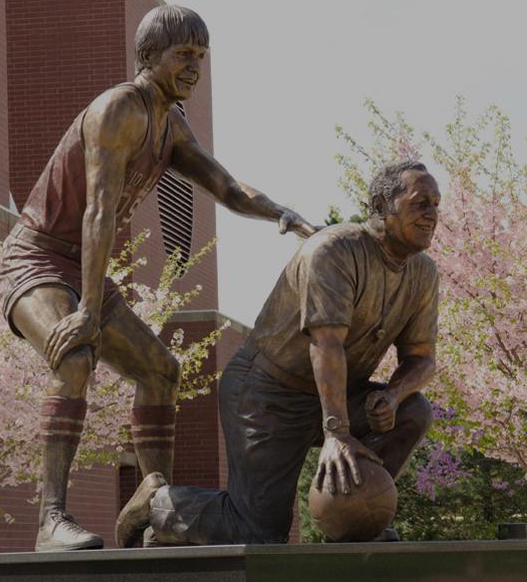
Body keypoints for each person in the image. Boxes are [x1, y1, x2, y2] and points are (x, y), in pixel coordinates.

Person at [0, 4, 316, 552]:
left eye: (202, 57)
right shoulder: (120, 108)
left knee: (163, 370)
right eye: (184, 55)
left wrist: (283, 214)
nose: (195, 67)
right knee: (75, 356)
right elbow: (99, 210)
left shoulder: (171, 125)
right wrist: (89, 313)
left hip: (81, 269)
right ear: (148, 56)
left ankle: (155, 510)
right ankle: (50, 518)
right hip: (37, 260)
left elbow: (230, 189)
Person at [122, 161, 440, 546]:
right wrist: (337, 430)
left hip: (336, 395)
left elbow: (422, 358)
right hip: (266, 394)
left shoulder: (423, 273)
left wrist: (392, 395)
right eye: (421, 202)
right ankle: (159, 503)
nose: (431, 214)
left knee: (414, 410)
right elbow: (325, 344)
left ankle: (358, 515)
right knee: (260, 531)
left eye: (436, 205)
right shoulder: (333, 250)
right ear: (379, 204)